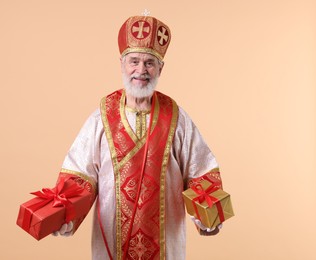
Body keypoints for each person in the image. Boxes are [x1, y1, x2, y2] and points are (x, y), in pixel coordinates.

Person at [52, 14, 224, 260]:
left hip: (166, 244)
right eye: (134, 61)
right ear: (122, 63)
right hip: (112, 243)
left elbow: (202, 171)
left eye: (149, 63)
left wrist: (209, 214)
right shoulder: (102, 116)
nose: (141, 70)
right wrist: (65, 213)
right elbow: (80, 176)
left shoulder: (176, 117)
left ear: (160, 68)